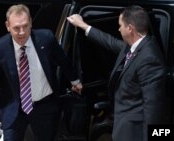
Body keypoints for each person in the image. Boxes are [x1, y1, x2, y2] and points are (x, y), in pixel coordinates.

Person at [67, 5, 167, 141]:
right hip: (123, 122)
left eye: (120, 25)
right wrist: (83, 25)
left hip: (133, 131)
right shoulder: (135, 46)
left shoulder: (150, 59)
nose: (118, 29)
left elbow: (153, 109)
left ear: (130, 28)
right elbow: (109, 42)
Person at [0, 4, 83, 141]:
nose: (22, 32)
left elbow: (63, 61)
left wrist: (75, 81)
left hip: (44, 107)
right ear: (7, 26)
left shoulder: (46, 38)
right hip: (14, 109)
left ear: (30, 22)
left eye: (25, 26)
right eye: (16, 28)